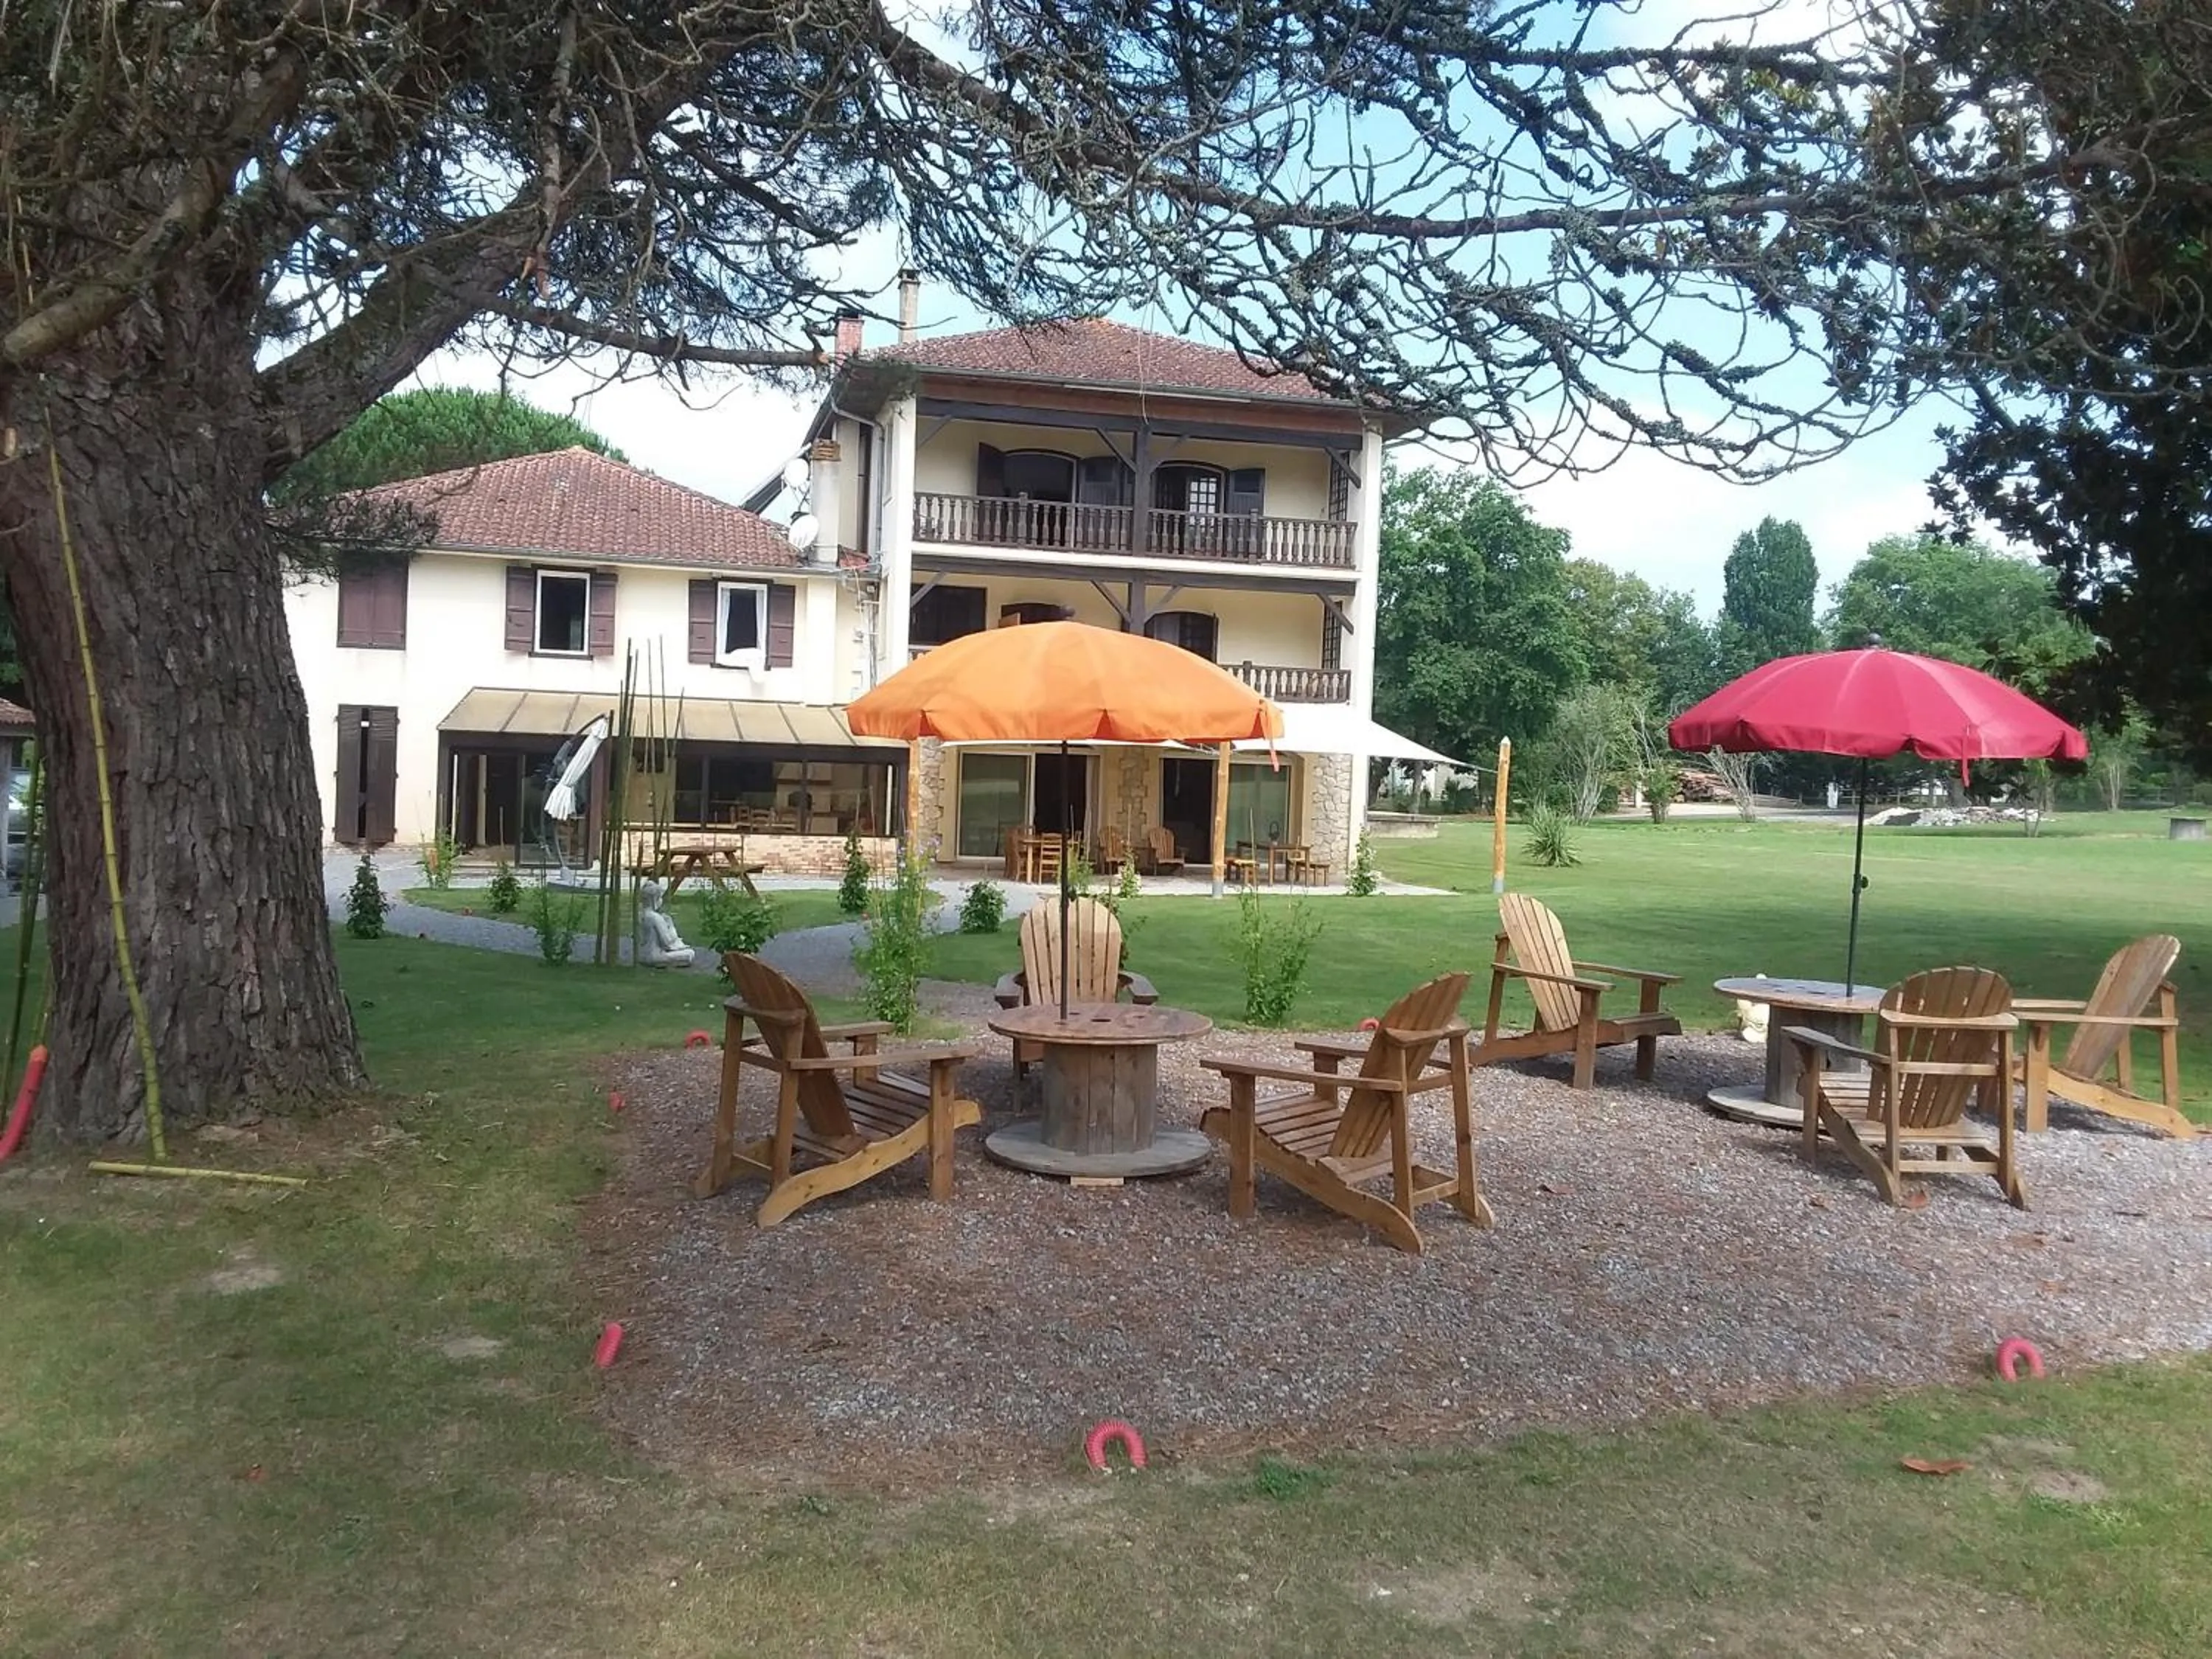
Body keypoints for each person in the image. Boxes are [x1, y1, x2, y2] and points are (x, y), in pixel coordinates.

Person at [635, 877, 695, 968]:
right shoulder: (655, 917)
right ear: (654, 899)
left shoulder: (640, 915)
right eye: (660, 898)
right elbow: (667, 943)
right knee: (690, 954)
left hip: (641, 954)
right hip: (655, 956)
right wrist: (670, 926)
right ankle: (662, 963)